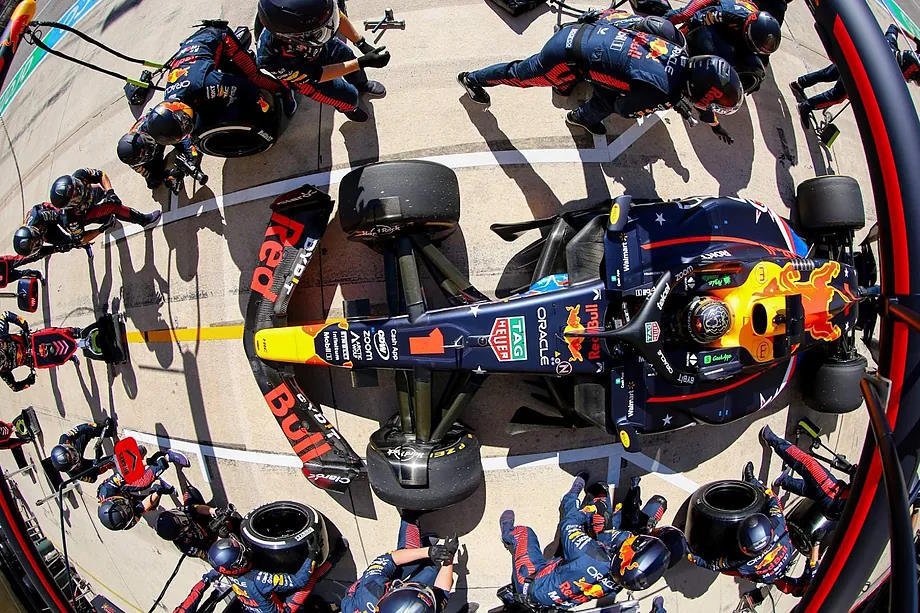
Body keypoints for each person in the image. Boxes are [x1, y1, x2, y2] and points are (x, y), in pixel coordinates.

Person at [457, 19, 743, 142]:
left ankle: (577, 109)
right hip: (566, 57)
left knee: (612, 87)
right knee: (519, 75)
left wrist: (713, 123)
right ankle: (473, 79)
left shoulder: (676, 47)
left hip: (589, 31)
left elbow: (641, 28)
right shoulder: (663, 93)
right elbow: (624, 108)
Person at [497, 473, 669, 609]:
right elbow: (607, 543)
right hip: (557, 597)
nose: (632, 540)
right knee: (603, 504)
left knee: (524, 533)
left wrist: (582, 501)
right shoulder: (621, 583)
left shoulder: (589, 555)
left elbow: (569, 523)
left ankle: (507, 534)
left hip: (530, 582)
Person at [687, 461, 819, 596]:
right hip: (781, 564)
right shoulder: (779, 527)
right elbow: (772, 500)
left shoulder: (742, 564)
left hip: (764, 573)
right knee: (770, 497)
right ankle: (752, 481)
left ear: (745, 549)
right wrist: (758, 488)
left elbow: (714, 565)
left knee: (726, 568)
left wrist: (694, 557)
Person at [256, 0, 390, 123]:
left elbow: (335, 15)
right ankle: (350, 109)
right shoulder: (271, 59)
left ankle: (362, 84)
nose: (330, 31)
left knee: (347, 55)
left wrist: (361, 44)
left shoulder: (312, 11)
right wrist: (361, 62)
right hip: (307, 77)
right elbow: (318, 75)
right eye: (318, 31)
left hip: (316, 47)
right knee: (347, 96)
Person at [791, 24, 920, 120]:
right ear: (907, 67)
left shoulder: (890, 43)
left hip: (854, 56)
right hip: (858, 71)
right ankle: (806, 106)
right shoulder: (887, 72)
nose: (910, 80)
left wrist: (915, 40)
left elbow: (894, 27)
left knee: (829, 73)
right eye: (912, 77)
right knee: (837, 96)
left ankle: (799, 84)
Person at [340, 512, 458, 613]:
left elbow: (392, 558)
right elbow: (442, 591)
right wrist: (449, 557)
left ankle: (409, 515)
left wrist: (428, 552)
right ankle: (423, 548)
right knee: (432, 571)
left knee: (412, 555)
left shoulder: (372, 589)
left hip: (360, 596)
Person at [174, 535, 322, 613]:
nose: (245, 556)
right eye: (241, 558)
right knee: (308, 581)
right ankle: (335, 556)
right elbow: (298, 581)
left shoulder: (226, 573)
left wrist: (207, 578)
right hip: (281, 609)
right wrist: (312, 554)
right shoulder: (258, 579)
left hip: (253, 604)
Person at [760, 425, 849, 520]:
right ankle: (783, 481)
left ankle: (773, 440)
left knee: (807, 463)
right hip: (833, 505)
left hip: (833, 494)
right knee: (809, 489)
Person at [96, 449, 190, 531]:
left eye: (125, 505)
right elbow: (143, 507)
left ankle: (167, 457)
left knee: (143, 482)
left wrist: (148, 461)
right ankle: (158, 483)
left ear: (113, 500)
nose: (128, 506)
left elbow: (128, 470)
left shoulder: (108, 489)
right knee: (153, 504)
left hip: (120, 487)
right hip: (123, 495)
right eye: (129, 511)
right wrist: (158, 491)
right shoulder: (128, 522)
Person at [50, 169, 161, 233]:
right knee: (113, 207)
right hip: (85, 214)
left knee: (98, 190)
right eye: (75, 196)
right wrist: (100, 230)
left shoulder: (80, 175)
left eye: (77, 186)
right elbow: (81, 239)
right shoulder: (71, 221)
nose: (80, 190)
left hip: (93, 196)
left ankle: (107, 217)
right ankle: (143, 220)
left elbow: (101, 175)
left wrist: (110, 192)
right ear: (70, 206)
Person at [117, 115, 200, 194]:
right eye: (143, 155)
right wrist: (167, 175)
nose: (149, 152)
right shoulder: (133, 162)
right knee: (153, 183)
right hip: (154, 144)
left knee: (189, 142)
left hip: (158, 133)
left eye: (146, 150)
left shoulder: (149, 125)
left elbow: (182, 134)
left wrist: (191, 155)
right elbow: (148, 175)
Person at [156, 485, 241, 560]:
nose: (180, 516)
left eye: (178, 517)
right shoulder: (187, 548)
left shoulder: (175, 514)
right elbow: (210, 555)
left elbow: (196, 508)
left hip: (201, 519)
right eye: (180, 521)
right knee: (231, 525)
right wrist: (221, 539)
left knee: (190, 491)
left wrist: (214, 511)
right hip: (210, 540)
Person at [49, 418, 116, 483]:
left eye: (71, 451)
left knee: (86, 431)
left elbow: (80, 428)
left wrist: (97, 426)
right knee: (101, 465)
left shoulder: (64, 439)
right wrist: (97, 459)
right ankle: (116, 460)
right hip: (83, 466)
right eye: (74, 457)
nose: (75, 454)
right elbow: (93, 479)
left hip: (77, 448)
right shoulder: (75, 474)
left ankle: (107, 432)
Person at [0, 311, 35, 391]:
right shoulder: (3, 373)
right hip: (32, 359)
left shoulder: (1, 336)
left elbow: (6, 315)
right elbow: (15, 387)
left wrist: (23, 324)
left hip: (27, 341)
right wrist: (28, 382)